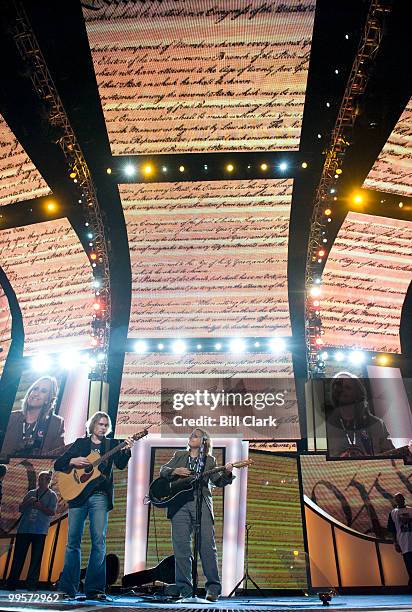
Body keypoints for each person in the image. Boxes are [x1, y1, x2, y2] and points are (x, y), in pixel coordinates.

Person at [54, 411, 134, 601]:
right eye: (100, 424)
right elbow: (59, 464)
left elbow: (121, 464)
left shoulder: (112, 444)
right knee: (73, 542)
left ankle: (95, 589)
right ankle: (68, 588)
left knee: (99, 542)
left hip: (100, 496)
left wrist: (127, 450)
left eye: (106, 425)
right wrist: (72, 460)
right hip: (77, 497)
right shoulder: (81, 444)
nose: (103, 428)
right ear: (92, 426)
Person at [160, 428, 234, 601]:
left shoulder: (209, 460)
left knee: (207, 547)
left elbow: (218, 481)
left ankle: (213, 589)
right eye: (190, 434)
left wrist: (228, 472)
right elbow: (163, 471)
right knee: (181, 549)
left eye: (195, 435)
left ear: (204, 441)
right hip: (179, 505)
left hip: (200, 504)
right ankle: (185, 590)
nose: (191, 437)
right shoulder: (179, 455)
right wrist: (174, 471)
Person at [6, 471, 57, 591]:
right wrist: (28, 502)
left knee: (36, 560)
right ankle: (11, 584)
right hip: (24, 529)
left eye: (44, 478)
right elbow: (20, 508)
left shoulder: (52, 495)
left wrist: (41, 507)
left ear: (49, 480)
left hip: (39, 531)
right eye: (40, 478)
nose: (41, 480)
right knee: (18, 557)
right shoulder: (31, 493)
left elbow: (52, 512)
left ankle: (31, 585)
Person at [326, 372, 397, 458]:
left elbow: (392, 455)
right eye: (339, 388)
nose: (342, 391)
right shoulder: (326, 427)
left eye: (347, 387)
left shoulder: (376, 424)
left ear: (357, 393)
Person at [1, 376, 64, 457]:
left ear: (48, 399)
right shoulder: (10, 417)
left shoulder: (56, 423)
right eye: (35, 389)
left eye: (43, 391)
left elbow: (59, 454)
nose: (36, 394)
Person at [387, 492, 412, 591]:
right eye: (397, 499)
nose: (399, 500)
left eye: (400, 498)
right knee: (409, 566)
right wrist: (395, 542)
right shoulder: (393, 513)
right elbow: (392, 529)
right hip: (404, 544)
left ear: (404, 499)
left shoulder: (411, 510)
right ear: (395, 501)